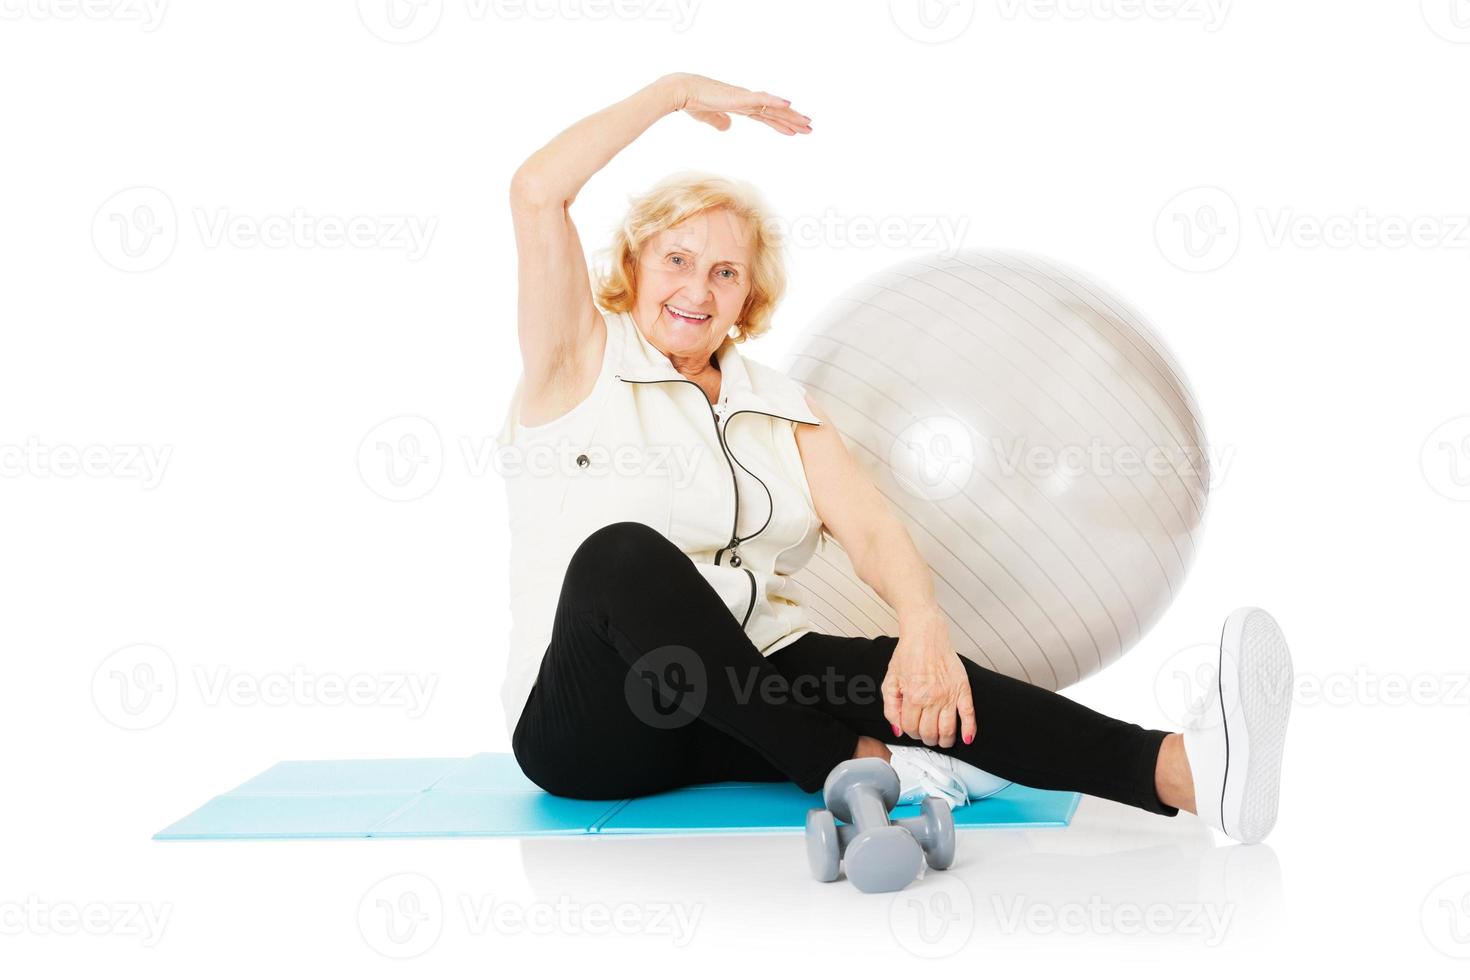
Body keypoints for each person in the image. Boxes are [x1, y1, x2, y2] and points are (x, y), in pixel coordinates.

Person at [494, 72, 1294, 844]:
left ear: (747, 298)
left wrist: (924, 631)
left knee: (895, 671)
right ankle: (845, 762)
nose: (696, 288)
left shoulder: (781, 407)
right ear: (633, 266)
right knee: (620, 556)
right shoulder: (578, 361)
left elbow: (875, 538)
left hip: (739, 700)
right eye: (676, 259)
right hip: (594, 722)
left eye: (724, 272)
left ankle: (1184, 771)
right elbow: (537, 190)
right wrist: (672, 93)